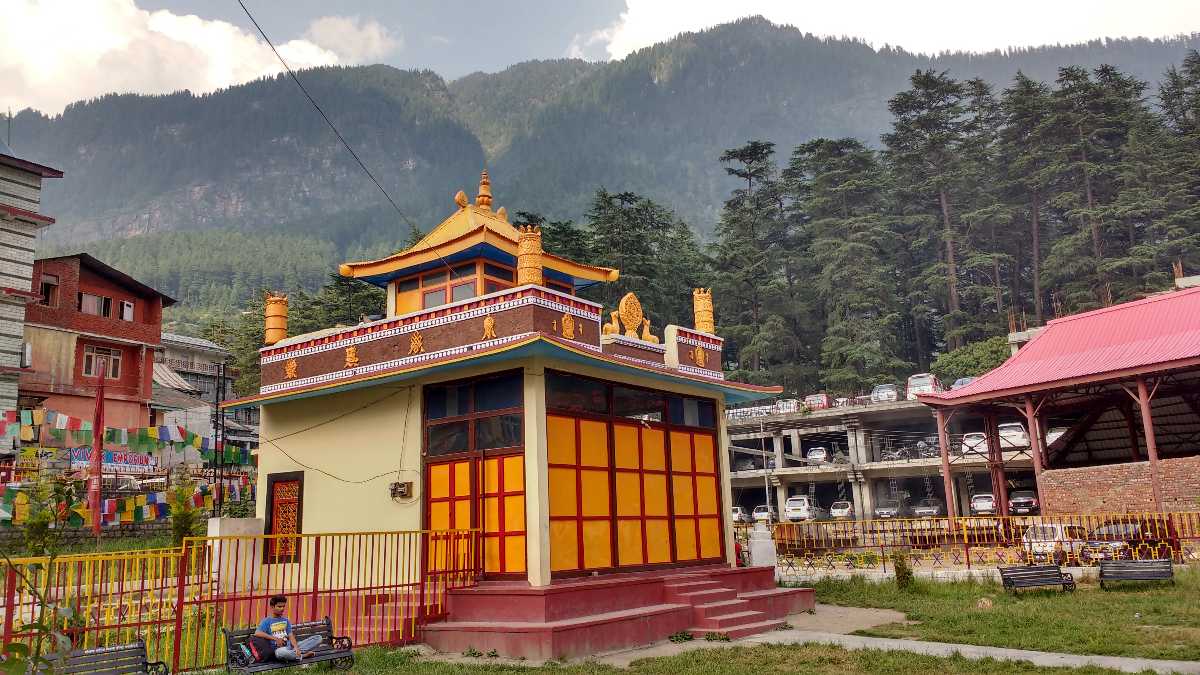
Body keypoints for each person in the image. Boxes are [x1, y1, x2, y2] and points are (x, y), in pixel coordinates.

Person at [254, 595, 322, 662]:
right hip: (278, 650)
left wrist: (296, 647)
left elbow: (291, 635)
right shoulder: (267, 621)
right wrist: (276, 639)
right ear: (272, 607)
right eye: (279, 606)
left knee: (318, 638)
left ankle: (295, 654)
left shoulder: (286, 620)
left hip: (290, 646)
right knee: (281, 654)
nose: (282, 609)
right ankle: (303, 656)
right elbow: (257, 633)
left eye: (283, 606)